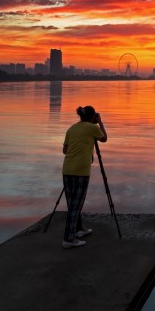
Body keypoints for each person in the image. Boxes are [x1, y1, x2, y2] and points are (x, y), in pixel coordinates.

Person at [61, 105, 107, 249]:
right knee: (76, 204)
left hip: (67, 169)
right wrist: (100, 123)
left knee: (72, 203)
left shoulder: (71, 128)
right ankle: (68, 239)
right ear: (93, 116)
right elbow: (104, 138)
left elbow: (65, 150)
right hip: (81, 170)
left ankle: (78, 229)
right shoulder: (92, 128)